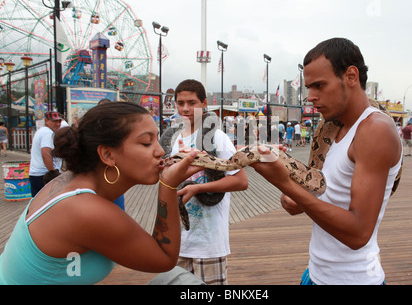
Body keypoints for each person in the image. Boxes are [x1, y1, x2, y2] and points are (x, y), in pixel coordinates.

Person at [250, 38, 402, 285]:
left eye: (319, 85)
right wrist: (286, 168)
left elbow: (358, 234)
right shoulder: (333, 131)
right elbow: (296, 204)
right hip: (316, 274)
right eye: (308, 87)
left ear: (351, 76)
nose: (310, 97)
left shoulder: (375, 130)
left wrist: (284, 183)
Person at [0, 102, 202, 285]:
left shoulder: (76, 181)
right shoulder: (85, 209)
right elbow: (164, 259)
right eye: (146, 143)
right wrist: (168, 185)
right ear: (107, 154)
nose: (159, 151)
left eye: (157, 139)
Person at [167, 79, 248, 285]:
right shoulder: (174, 140)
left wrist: (198, 188)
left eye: (191, 102)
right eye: (180, 103)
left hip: (208, 241)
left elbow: (241, 181)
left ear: (204, 104)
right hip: (179, 240)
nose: (185, 108)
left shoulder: (217, 137)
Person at [29, 112, 64, 197]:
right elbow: (46, 153)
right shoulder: (48, 133)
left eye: (59, 121)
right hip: (44, 174)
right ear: (47, 121)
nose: (58, 124)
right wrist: (52, 171)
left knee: (37, 202)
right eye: (55, 121)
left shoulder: (42, 131)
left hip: (37, 173)